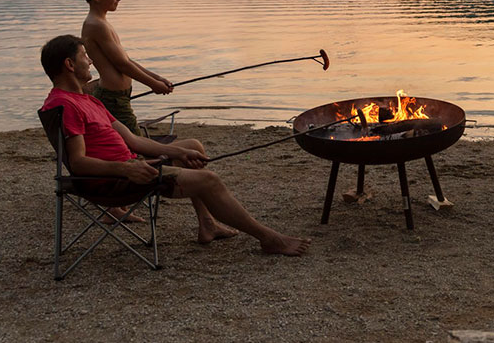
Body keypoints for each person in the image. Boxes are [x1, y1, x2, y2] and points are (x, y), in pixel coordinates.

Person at [40, 34, 309, 256]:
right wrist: (125, 169)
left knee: (192, 144)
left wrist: (179, 151)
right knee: (209, 180)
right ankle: (268, 238)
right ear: (69, 64)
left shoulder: (90, 101)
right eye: (85, 56)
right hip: (114, 181)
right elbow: (78, 163)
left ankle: (207, 224)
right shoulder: (65, 104)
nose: (90, 61)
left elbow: (133, 140)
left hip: (131, 167)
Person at [80, 0, 174, 136]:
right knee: (136, 142)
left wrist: (157, 78)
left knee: (128, 140)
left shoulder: (102, 23)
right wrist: (153, 85)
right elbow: (122, 64)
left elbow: (126, 60)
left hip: (118, 96)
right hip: (112, 97)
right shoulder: (96, 25)